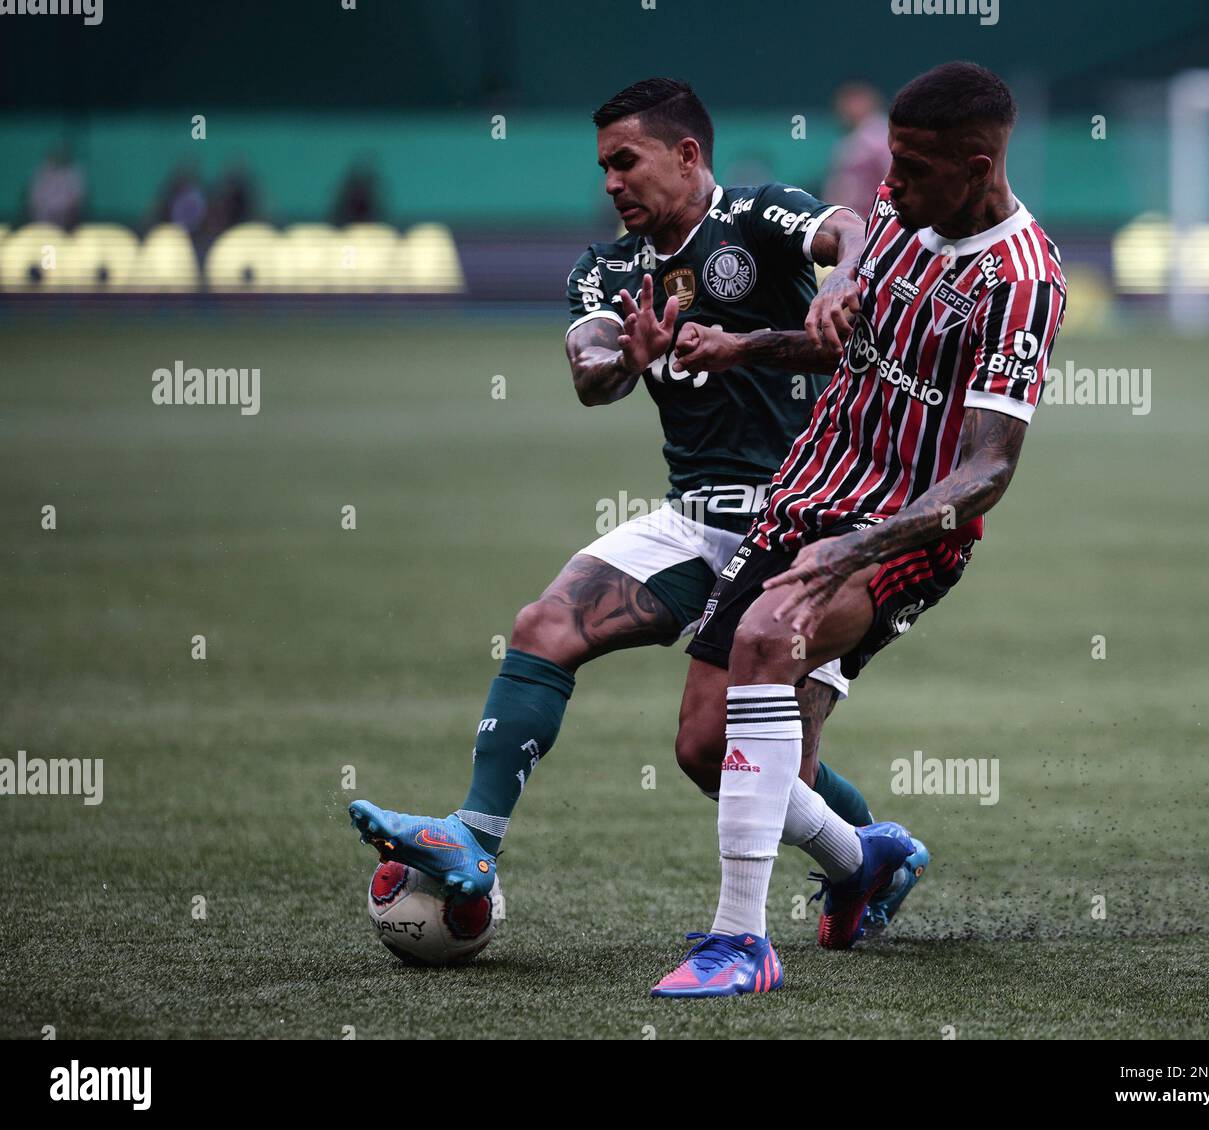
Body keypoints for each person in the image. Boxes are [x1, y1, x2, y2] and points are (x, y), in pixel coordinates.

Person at [347, 78, 881, 903]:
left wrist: (844, 279)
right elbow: (591, 372)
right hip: (697, 521)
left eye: (625, 162)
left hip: (808, 527)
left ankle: (867, 858)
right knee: (543, 625)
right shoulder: (607, 269)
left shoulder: (756, 216)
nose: (611, 183)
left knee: (723, 757)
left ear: (687, 154)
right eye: (603, 167)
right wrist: (625, 360)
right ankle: (473, 841)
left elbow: (846, 227)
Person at [651, 61, 1068, 998]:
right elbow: (849, 336)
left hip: (905, 533)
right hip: (803, 494)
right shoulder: (897, 216)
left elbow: (988, 469)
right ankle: (863, 861)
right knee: (701, 750)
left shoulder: (1023, 281)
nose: (890, 185)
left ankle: (741, 944)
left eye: (913, 169)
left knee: (766, 639)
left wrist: (859, 547)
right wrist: (740, 345)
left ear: (977, 165)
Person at [823, 82, 892, 219]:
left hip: (871, 222)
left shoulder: (879, 136)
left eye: (853, 101)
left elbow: (891, 180)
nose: (843, 108)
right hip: (852, 222)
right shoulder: (851, 139)